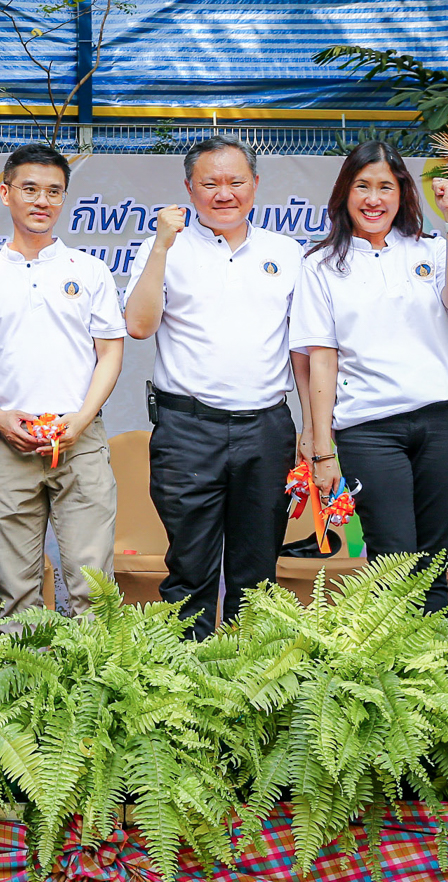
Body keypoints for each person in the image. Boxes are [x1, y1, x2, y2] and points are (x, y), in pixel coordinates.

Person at [123, 135, 309, 639]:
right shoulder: (163, 249)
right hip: (187, 429)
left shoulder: (286, 252)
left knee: (258, 570)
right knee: (190, 568)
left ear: (255, 185)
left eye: (235, 181)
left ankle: (250, 675)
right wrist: (161, 245)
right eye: (210, 183)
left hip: (266, 429)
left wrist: (315, 431)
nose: (224, 193)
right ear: (189, 188)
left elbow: (304, 349)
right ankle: (186, 676)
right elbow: (138, 325)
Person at [291, 143, 448, 614]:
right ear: (344, 193)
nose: (373, 199)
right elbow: (321, 360)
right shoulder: (320, 265)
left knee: (434, 557)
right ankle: (392, 654)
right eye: (363, 187)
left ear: (402, 194)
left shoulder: (431, 249)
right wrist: (322, 449)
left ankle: (434, 654)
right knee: (392, 560)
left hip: (445, 422)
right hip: (369, 429)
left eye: (385, 188)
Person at [0, 144, 124, 625]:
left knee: (92, 586)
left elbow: (111, 353)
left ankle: (92, 670)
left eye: (54, 192)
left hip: (80, 441)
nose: (42, 201)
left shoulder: (88, 270)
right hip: (10, 441)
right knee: (16, 590)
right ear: (5, 192)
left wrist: (82, 420)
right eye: (29, 189)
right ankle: (24, 670)